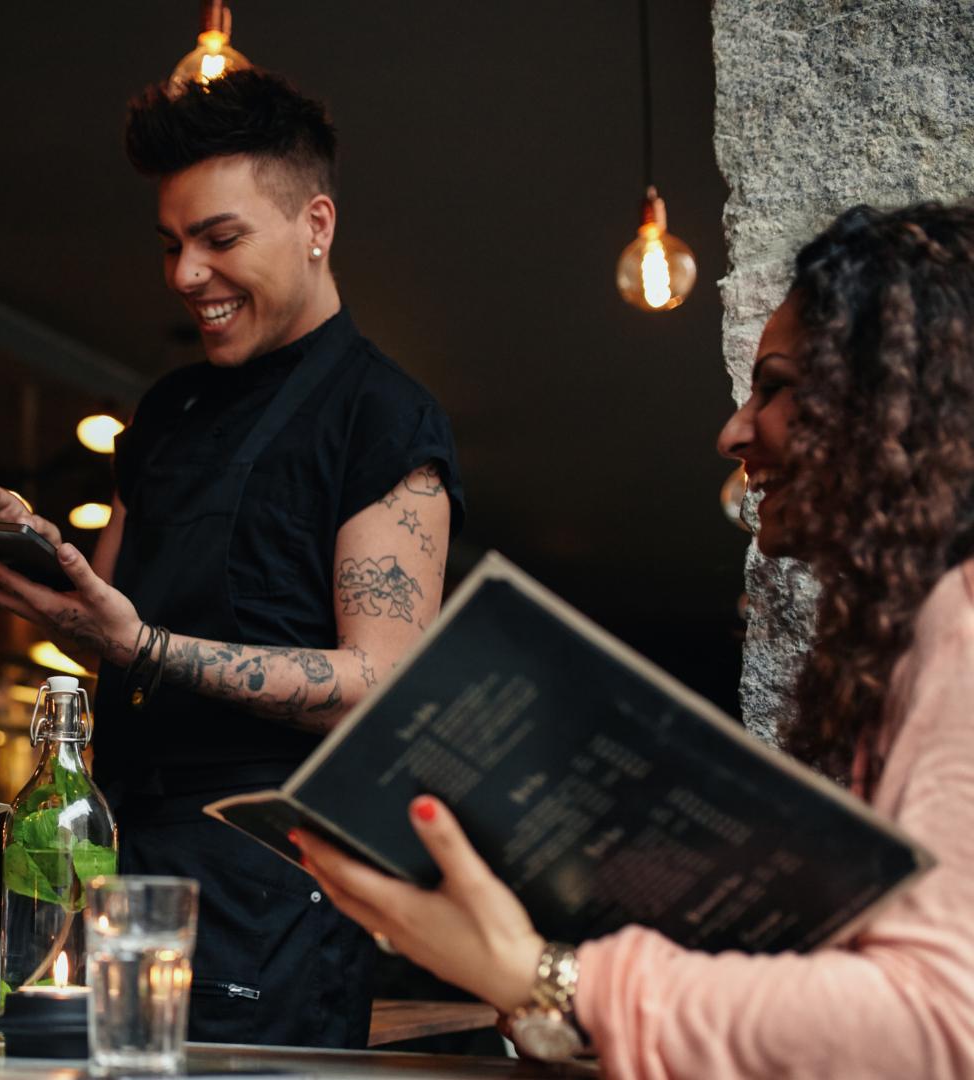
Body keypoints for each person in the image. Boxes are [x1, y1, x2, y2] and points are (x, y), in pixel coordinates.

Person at [293, 201, 974, 1076]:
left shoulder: (959, 628)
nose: (733, 432)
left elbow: (941, 1023)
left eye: (773, 387)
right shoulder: (914, 633)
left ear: (885, 403)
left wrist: (554, 978)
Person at [0, 69, 466, 1048]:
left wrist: (141, 643)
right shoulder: (165, 414)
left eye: (220, 240)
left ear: (316, 223)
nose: (185, 273)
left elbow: (381, 682)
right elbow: (109, 622)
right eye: (172, 244)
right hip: (107, 864)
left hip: (272, 883)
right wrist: (42, 575)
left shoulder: (384, 416)